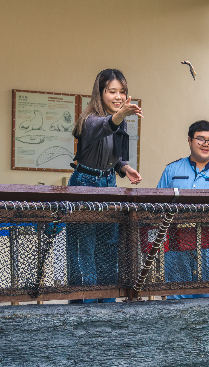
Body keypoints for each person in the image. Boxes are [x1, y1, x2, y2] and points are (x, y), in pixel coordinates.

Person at [67, 68, 143, 303]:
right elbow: (105, 126)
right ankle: (85, 302)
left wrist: (124, 168)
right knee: (84, 247)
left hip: (109, 183)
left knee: (109, 244)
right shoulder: (89, 119)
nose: (118, 96)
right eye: (112, 91)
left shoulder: (122, 121)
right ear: (100, 93)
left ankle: (108, 299)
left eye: (122, 92)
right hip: (85, 184)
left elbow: (118, 155)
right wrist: (121, 115)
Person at [156, 120, 209, 299]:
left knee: (205, 290)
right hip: (177, 236)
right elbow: (158, 205)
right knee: (176, 289)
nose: (206, 144)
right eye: (200, 138)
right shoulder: (172, 170)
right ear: (190, 140)